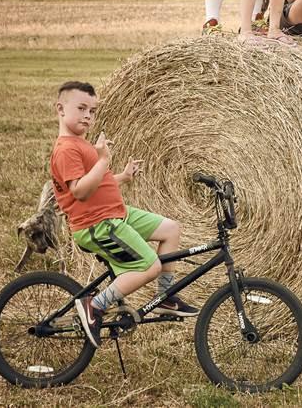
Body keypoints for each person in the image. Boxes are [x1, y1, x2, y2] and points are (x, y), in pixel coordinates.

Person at [49, 81, 199, 348]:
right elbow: (80, 192)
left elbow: (97, 184)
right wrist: (104, 160)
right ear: (60, 109)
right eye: (81, 108)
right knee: (149, 265)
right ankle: (94, 306)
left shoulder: (81, 144)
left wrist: (122, 177)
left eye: (92, 111)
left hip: (116, 214)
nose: (88, 116)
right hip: (97, 224)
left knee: (171, 229)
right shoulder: (66, 149)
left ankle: (165, 297)